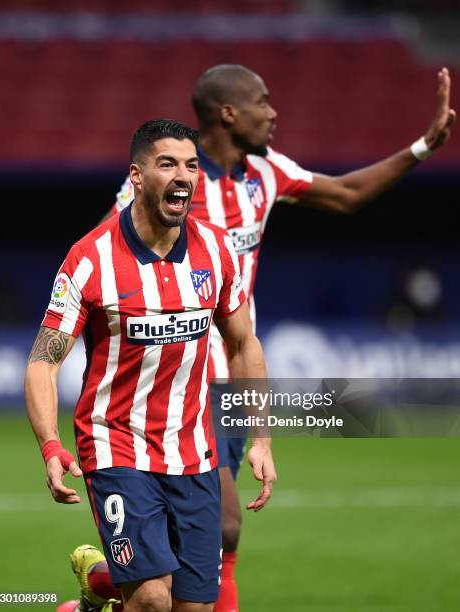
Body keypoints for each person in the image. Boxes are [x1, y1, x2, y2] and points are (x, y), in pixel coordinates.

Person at [65, 64, 456, 612]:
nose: (273, 113)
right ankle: (110, 583)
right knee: (222, 528)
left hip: (234, 378)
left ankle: (99, 587)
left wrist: (421, 147)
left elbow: (344, 194)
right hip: (177, 380)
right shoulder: (165, 185)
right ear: (229, 113)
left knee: (196, 552)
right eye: (262, 102)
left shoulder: (266, 173)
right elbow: (109, 264)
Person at [24, 119, 276, 612]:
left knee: (192, 607)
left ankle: (91, 602)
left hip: (193, 450)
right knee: (152, 600)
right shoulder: (90, 259)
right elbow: (42, 363)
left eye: (190, 165)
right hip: (115, 443)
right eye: (167, 164)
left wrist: (261, 437)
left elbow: (244, 343)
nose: (183, 175)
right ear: (137, 177)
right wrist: (50, 445)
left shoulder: (216, 250)